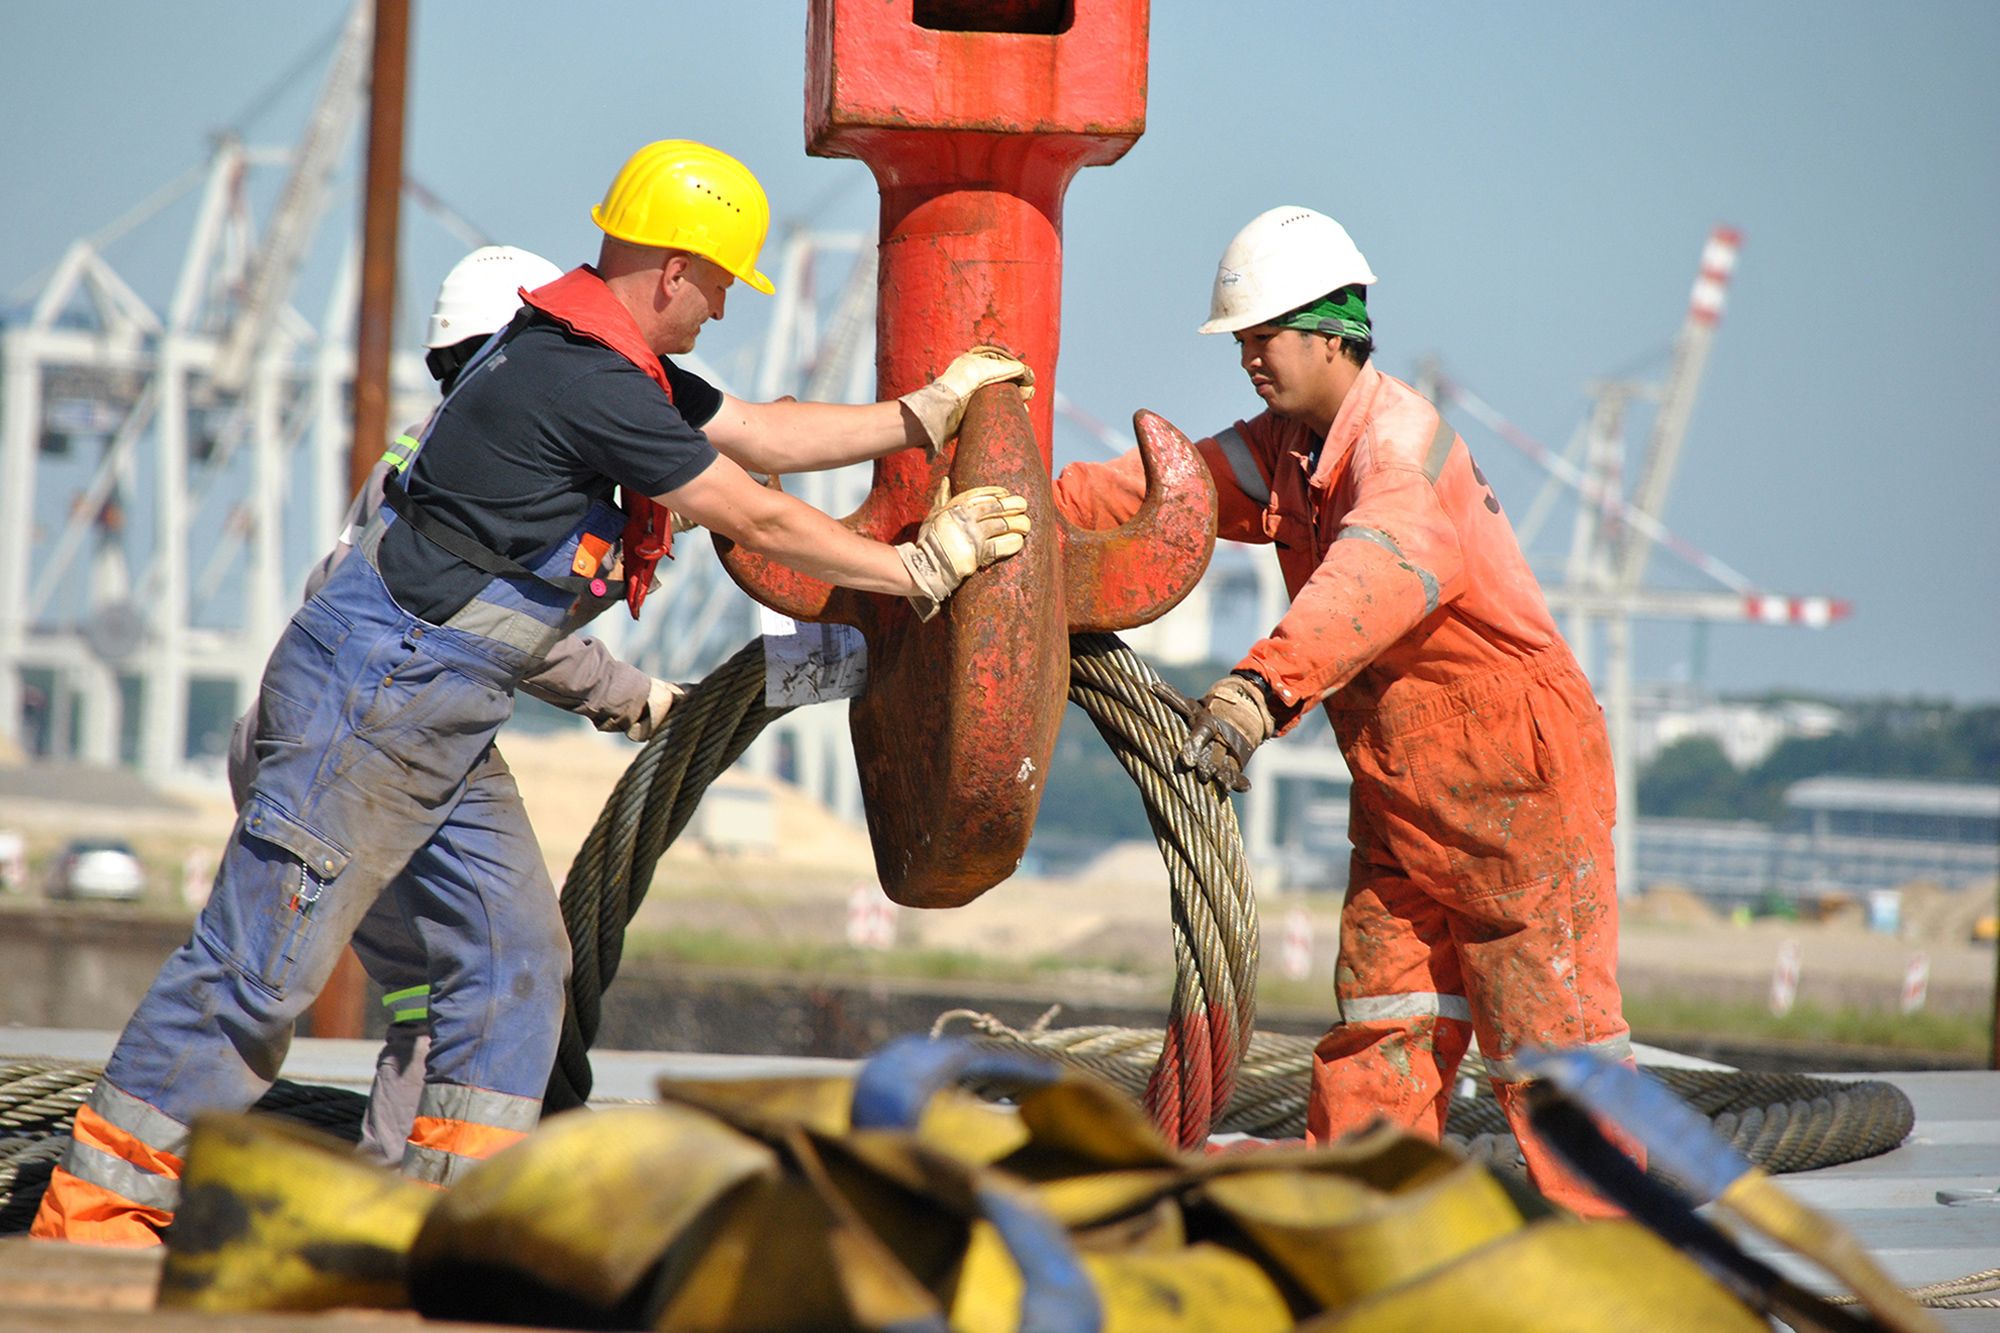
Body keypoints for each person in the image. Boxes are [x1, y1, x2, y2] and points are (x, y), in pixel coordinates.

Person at [33, 138, 1034, 1244]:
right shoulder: (579, 378)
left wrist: (921, 412)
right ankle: (99, 1218)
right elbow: (748, 507)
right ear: (670, 270)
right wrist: (913, 569)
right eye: (716, 286)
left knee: (516, 960)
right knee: (258, 973)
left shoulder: (590, 358)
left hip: (442, 706)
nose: (718, 309)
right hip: (376, 693)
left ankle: (449, 1231)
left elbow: (754, 429)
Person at [1052, 205, 1641, 1215]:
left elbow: (1373, 571)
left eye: (1263, 335)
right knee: (1381, 1021)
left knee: (1548, 1049)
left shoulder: (1394, 451)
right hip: (1402, 782)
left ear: (1332, 333)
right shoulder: (1288, 451)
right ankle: (1358, 1228)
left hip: (1515, 776)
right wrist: (1020, 510)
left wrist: (1254, 689)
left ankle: (1623, 1265)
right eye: (1238, 339)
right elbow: (1166, 491)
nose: (1247, 357)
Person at [221, 242, 684, 1172]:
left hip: (304, 730)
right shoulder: (503, 468)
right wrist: (630, 695)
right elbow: (502, 626)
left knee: (426, 1001)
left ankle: (399, 1192)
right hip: (386, 744)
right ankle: (429, 1209)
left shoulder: (434, 447)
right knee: (484, 977)